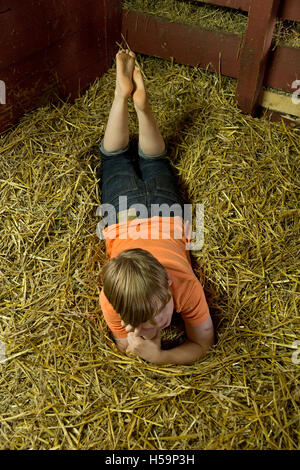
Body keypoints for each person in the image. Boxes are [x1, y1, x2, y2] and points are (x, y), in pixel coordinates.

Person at [98, 49, 214, 365]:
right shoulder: (115, 301)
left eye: (153, 319)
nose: (139, 329)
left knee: (123, 158)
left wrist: (158, 355)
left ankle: (125, 97)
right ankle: (135, 103)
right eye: (139, 323)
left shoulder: (184, 287)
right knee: (135, 158)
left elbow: (205, 344)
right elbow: (201, 342)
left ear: (168, 285)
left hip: (152, 216)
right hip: (134, 216)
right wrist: (151, 341)